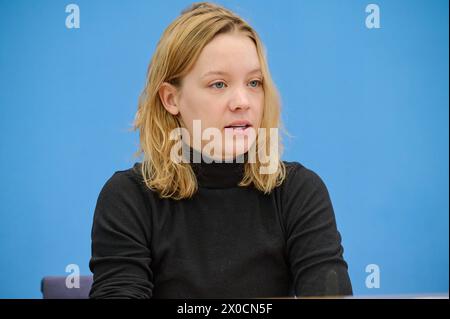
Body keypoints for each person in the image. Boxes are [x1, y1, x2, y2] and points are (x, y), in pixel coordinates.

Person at [88, 2, 353, 299]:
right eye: (218, 84)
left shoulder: (297, 192)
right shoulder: (129, 198)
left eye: (254, 82)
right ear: (171, 98)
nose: (243, 101)